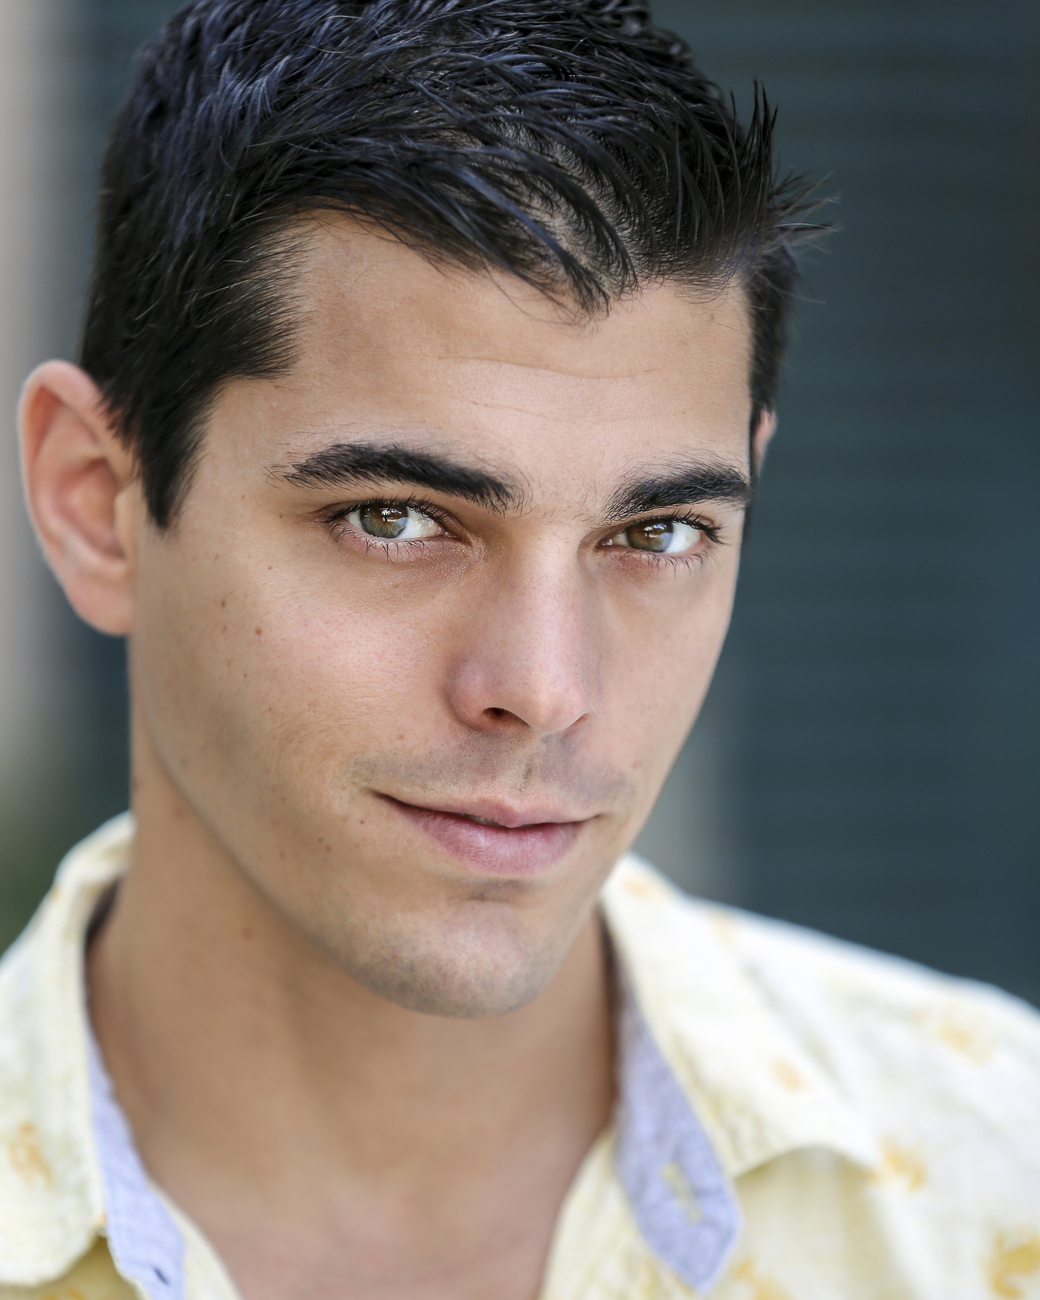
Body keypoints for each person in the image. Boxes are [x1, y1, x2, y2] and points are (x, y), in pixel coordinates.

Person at [3, 1, 1038, 1297]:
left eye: (657, 533)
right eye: (394, 520)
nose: (547, 690)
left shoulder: (997, 1173)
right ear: (97, 504)